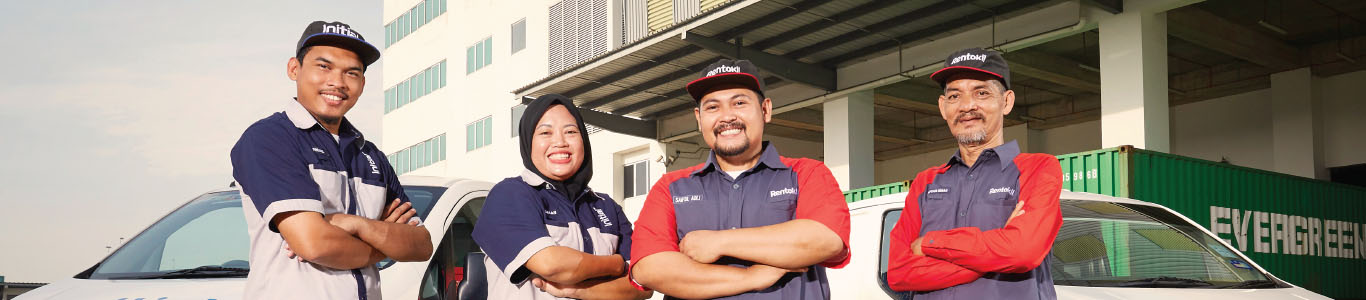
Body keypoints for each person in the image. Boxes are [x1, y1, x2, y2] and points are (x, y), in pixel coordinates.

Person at [230, 21, 433, 300]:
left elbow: (421, 246)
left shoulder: (371, 155)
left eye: (351, 72)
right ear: (294, 68)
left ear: (362, 83)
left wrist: (357, 225)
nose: (337, 82)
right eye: (324, 66)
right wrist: (386, 244)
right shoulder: (269, 138)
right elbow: (314, 244)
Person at [629, 59, 852, 299]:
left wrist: (718, 243)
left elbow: (825, 240)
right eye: (713, 107)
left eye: (739, 103)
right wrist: (752, 277)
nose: (727, 117)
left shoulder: (807, 173)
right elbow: (649, 268)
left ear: (765, 110)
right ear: (699, 118)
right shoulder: (671, 187)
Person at [885, 48, 1063, 299]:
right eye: (955, 96)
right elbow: (898, 271)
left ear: (1007, 102)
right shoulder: (925, 182)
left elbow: (1022, 252)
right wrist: (996, 253)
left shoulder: (1038, 169)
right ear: (943, 107)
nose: (967, 106)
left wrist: (929, 243)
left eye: (982, 93)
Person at [471, 94, 652, 300]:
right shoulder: (510, 195)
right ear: (528, 141)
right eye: (545, 132)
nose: (559, 142)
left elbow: (642, 285)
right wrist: (616, 264)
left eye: (571, 132)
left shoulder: (607, 206)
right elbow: (551, 265)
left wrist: (577, 290)